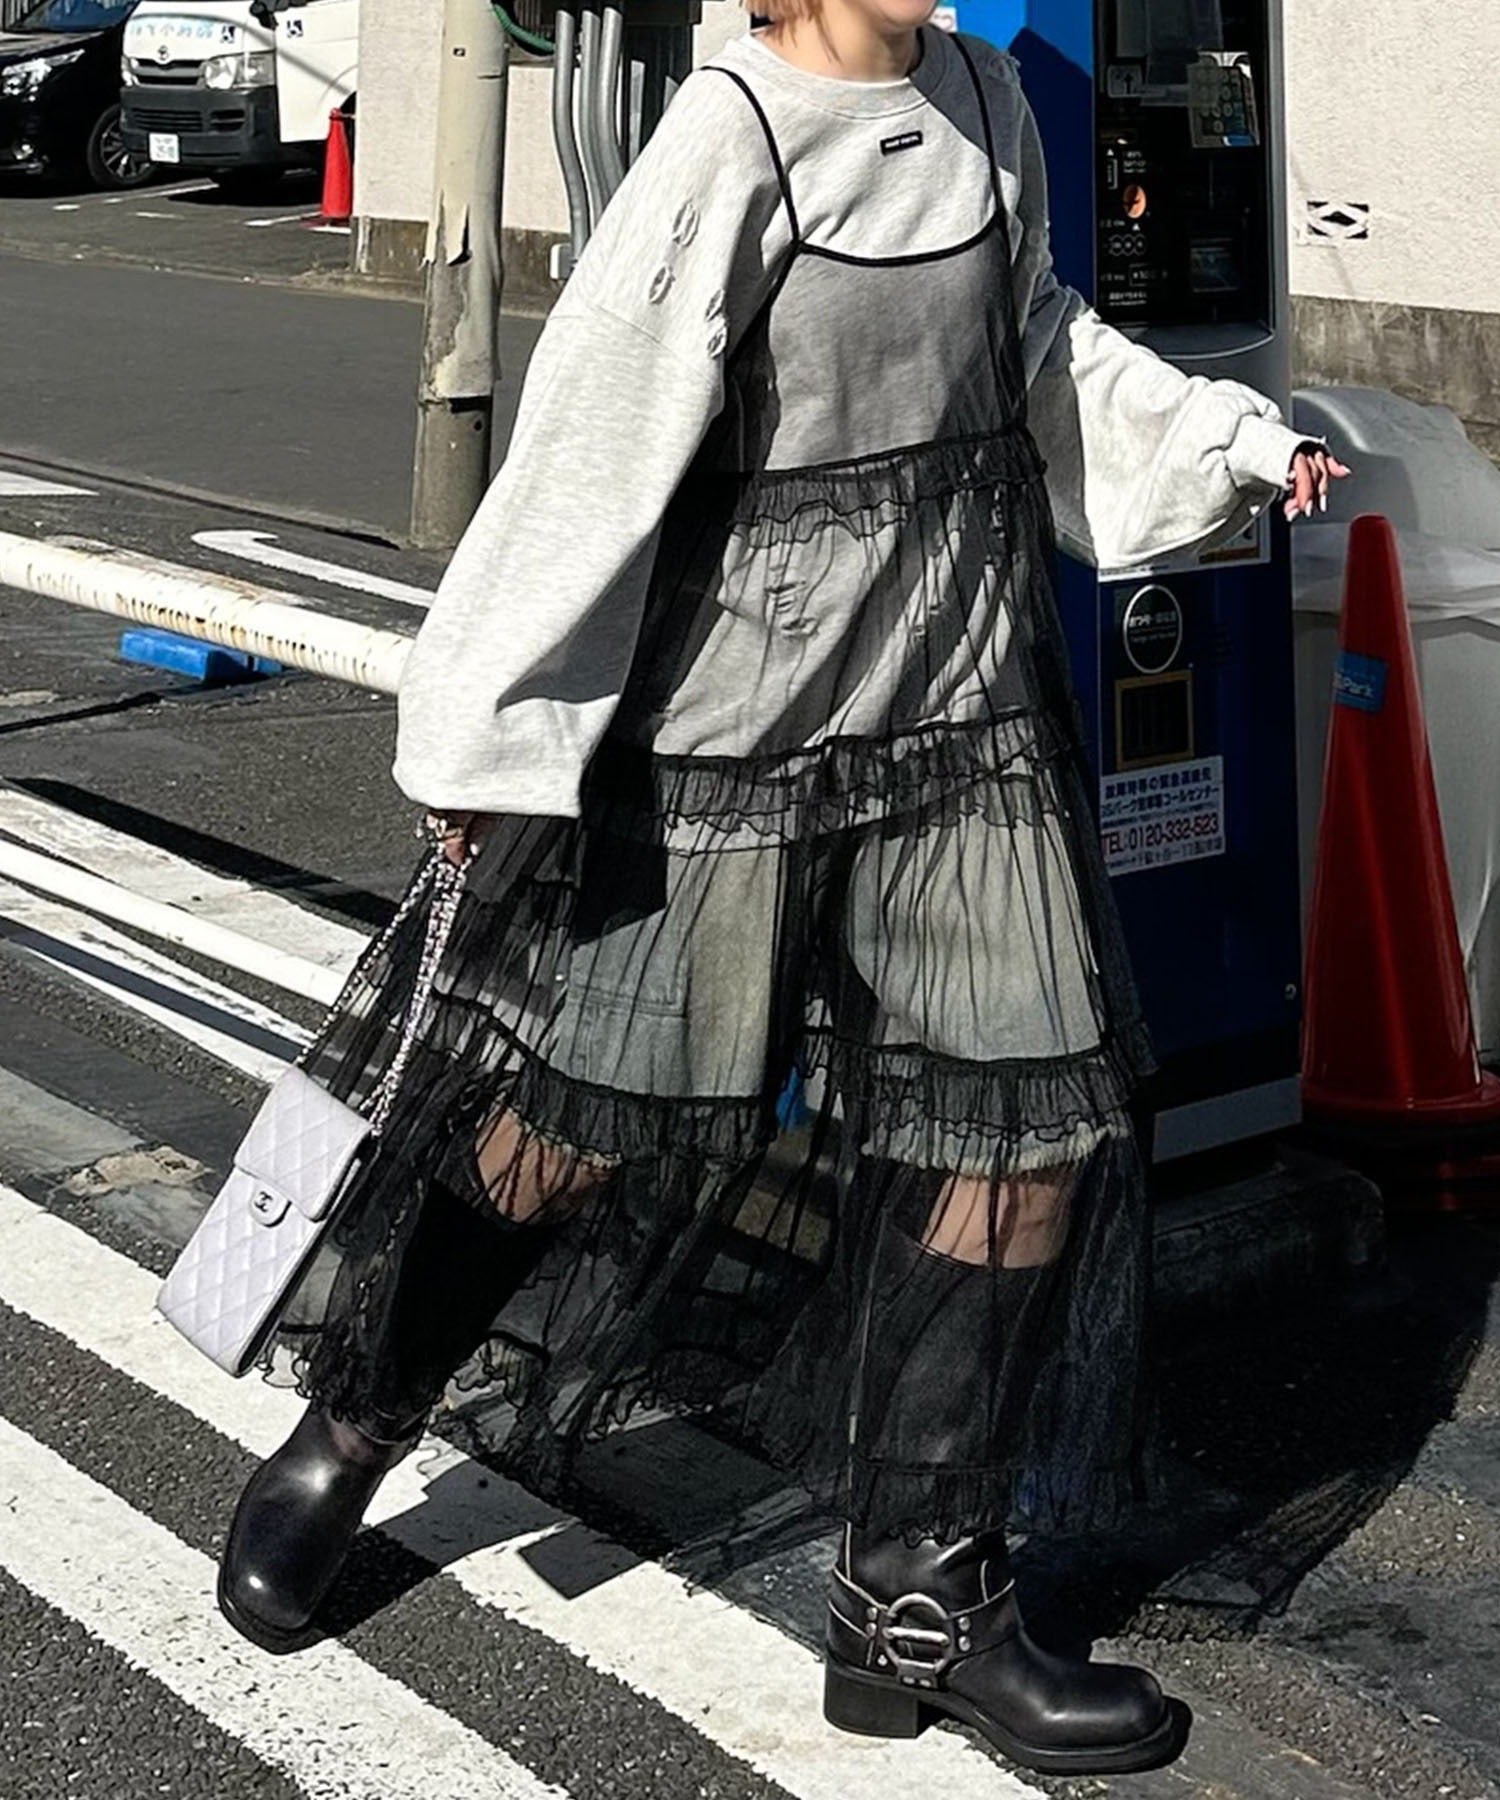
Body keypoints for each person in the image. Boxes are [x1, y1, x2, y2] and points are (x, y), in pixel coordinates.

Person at [216, 0, 1348, 1776]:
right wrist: (487, 740)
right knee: (578, 1125)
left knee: (1023, 1128)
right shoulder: (725, 138)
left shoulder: (984, 95)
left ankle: (917, 1598)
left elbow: (1036, 341)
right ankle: (357, 1419)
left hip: (961, 704)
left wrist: (1219, 437)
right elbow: (590, 444)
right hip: (734, 726)